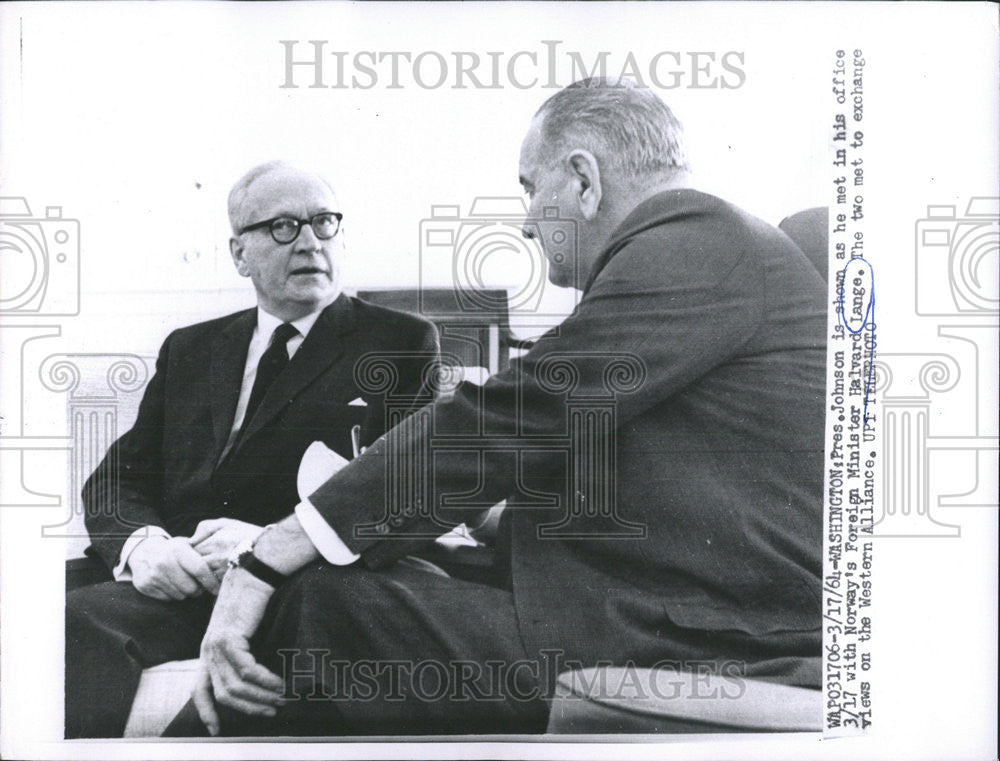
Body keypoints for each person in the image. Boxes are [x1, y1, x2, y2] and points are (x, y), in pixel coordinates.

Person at [175, 78, 827, 737]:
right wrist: (475, 523)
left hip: (711, 640)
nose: (525, 220)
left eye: (528, 186)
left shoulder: (695, 238)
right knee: (358, 591)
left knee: (322, 608)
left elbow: (508, 416)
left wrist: (268, 552)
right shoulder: (704, 249)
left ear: (582, 180)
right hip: (673, 609)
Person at [64, 160, 440, 738]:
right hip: (176, 575)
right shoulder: (191, 347)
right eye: (284, 227)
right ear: (239, 254)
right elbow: (119, 477)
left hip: (288, 589)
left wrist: (267, 544)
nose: (311, 242)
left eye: (323, 222)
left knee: (76, 619)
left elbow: (398, 499)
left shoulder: (398, 341)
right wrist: (143, 546)